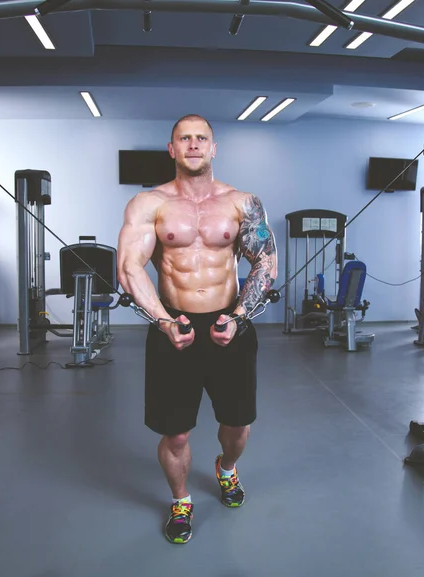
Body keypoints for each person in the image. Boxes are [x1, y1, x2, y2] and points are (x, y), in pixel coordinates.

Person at [116, 114, 277, 544]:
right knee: (177, 432)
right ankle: (181, 500)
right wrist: (164, 322)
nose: (192, 144)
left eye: (200, 138)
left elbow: (265, 262)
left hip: (230, 321)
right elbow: (130, 267)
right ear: (171, 149)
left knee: (238, 425)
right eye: (183, 138)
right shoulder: (149, 204)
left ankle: (226, 469)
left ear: (214, 147)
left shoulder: (242, 203)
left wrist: (240, 316)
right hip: (175, 325)